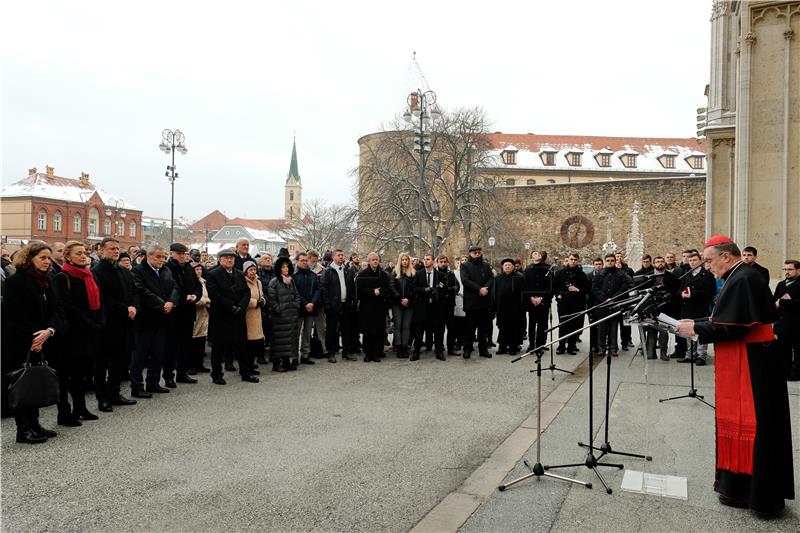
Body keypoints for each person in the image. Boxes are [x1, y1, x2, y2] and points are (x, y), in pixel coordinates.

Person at [677, 236, 794, 516]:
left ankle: (757, 495)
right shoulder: (738, 276)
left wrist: (696, 329)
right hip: (750, 358)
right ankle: (739, 489)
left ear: (726, 256)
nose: (706, 266)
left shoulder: (743, 278)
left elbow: (734, 327)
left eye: (709, 260)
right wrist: (697, 323)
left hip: (754, 363)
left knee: (757, 425)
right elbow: (723, 318)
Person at [2, 242, 65, 443]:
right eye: (42, 258)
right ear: (30, 259)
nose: (47, 262)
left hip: (43, 339)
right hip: (20, 342)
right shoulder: (15, 282)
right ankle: (23, 429)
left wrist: (49, 330)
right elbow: (15, 316)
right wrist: (33, 339)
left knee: (35, 381)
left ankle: (35, 424)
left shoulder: (47, 281)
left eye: (48, 258)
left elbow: (57, 310)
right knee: (23, 383)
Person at [52, 240, 105, 424]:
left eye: (85, 253)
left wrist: (99, 321)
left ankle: (81, 408)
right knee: (67, 374)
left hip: (90, 332)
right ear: (68, 257)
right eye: (79, 254)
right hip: (71, 333)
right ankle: (64, 413)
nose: (84, 256)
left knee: (82, 373)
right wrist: (88, 322)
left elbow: (99, 300)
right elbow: (66, 305)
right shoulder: (62, 277)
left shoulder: (89, 275)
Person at [91, 237, 138, 412]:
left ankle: (114, 393)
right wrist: (125, 308)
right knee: (102, 363)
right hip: (107, 323)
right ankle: (102, 398)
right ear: (101, 250)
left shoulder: (123, 270)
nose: (116, 251)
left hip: (125, 322)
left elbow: (134, 291)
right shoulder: (97, 271)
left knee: (119, 360)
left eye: (118, 248)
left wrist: (133, 306)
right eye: (112, 248)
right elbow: (103, 298)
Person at [131, 245, 179, 396]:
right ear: (148, 256)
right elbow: (141, 290)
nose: (162, 260)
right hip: (146, 319)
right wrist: (161, 304)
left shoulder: (165, 270)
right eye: (158, 257)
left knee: (158, 353)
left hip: (163, 319)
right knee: (140, 354)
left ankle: (153, 382)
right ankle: (137, 386)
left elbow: (175, 288)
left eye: (164, 257)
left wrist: (172, 302)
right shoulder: (138, 271)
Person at [206, 248, 256, 383]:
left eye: (232, 258)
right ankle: (216, 375)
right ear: (219, 260)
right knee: (218, 347)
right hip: (221, 316)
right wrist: (231, 306)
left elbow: (246, 292)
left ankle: (245, 372)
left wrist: (241, 306)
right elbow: (214, 295)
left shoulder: (239, 274)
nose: (229, 260)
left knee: (241, 345)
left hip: (238, 315)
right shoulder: (213, 274)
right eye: (226, 258)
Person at [164, 243, 202, 386]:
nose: (182, 256)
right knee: (171, 347)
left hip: (188, 311)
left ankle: (182, 373)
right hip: (174, 312)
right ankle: (168, 376)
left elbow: (198, 286)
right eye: (180, 254)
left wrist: (195, 296)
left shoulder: (189, 268)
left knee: (186, 345)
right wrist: (184, 297)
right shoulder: (167, 268)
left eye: (184, 254)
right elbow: (170, 289)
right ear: (172, 253)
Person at [677, 251, 716, 366]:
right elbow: (679, 289)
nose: (692, 263)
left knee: (701, 332)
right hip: (687, 307)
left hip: (700, 308)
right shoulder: (686, 274)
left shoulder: (707, 275)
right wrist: (681, 294)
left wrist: (693, 294)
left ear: (700, 261)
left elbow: (710, 292)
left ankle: (701, 356)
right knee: (688, 332)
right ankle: (690, 355)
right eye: (690, 261)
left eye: (694, 260)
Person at [592, 254, 633, 357]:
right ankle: (601, 348)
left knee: (614, 327)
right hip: (603, 305)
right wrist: (605, 299)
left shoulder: (621, 274)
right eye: (608, 260)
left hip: (615, 305)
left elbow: (624, 288)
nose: (610, 262)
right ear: (605, 262)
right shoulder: (599, 274)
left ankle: (613, 348)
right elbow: (595, 288)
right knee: (602, 328)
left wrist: (614, 298)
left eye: (612, 260)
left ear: (615, 261)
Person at [320, 249, 357, 362]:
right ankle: (331, 353)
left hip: (346, 304)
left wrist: (353, 301)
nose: (341, 257)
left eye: (342, 255)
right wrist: (327, 305)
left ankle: (346, 352)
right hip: (333, 305)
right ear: (333, 257)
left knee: (346, 329)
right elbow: (324, 289)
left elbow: (352, 287)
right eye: (339, 255)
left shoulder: (347, 270)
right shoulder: (328, 271)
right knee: (331, 330)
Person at [267, 256, 301, 372]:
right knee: (278, 341)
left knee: (290, 340)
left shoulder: (291, 280)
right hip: (280, 317)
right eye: (283, 267)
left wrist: (296, 306)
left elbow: (297, 295)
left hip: (291, 315)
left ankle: (287, 362)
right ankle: (276, 364)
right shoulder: (274, 282)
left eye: (287, 267)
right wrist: (279, 309)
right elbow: (271, 299)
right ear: (279, 269)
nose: (286, 269)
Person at [460, 245, 494, 359]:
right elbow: (465, 281)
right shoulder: (465, 266)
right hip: (471, 302)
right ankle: (467, 349)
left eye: (478, 252)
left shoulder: (485, 265)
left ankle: (483, 350)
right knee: (469, 328)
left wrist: (486, 288)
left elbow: (491, 278)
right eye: (474, 253)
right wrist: (479, 289)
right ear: (470, 254)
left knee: (483, 328)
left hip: (484, 301)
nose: (477, 254)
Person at [357, 252, 391, 362]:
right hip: (367, 307)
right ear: (369, 261)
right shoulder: (362, 274)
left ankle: (377, 353)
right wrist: (372, 291)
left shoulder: (384, 275)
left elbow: (387, 289)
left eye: (377, 259)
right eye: (373, 259)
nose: (375, 261)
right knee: (367, 331)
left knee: (379, 331)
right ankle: (368, 353)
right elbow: (360, 291)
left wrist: (380, 292)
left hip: (380, 306)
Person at [644, 256, 680, 361]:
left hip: (665, 306)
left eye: (661, 261)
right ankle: (651, 352)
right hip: (651, 306)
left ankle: (663, 353)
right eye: (657, 261)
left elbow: (675, 289)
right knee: (651, 330)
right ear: (654, 263)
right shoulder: (648, 275)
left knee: (664, 330)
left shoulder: (671, 276)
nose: (660, 263)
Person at [554, 253, 589, 355]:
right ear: (568, 260)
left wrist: (578, 289)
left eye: (575, 260)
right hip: (563, 303)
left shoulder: (582, 275)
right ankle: (561, 346)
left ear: (578, 261)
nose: (573, 261)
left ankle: (571, 346)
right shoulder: (560, 273)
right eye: (571, 259)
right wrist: (557, 295)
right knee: (563, 324)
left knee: (574, 325)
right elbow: (555, 286)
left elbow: (586, 288)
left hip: (576, 303)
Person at [524, 250, 555, 355]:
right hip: (532, 301)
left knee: (542, 324)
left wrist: (541, 298)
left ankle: (540, 345)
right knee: (532, 324)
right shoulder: (528, 270)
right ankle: (531, 344)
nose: (537, 255)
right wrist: (531, 297)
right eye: (535, 253)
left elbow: (550, 286)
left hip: (543, 301)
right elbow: (525, 286)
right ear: (532, 257)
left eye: (538, 253)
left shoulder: (548, 269)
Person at [412, 253, 441, 360]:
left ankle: (439, 352)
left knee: (437, 330)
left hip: (435, 306)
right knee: (419, 330)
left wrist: (436, 291)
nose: (425, 261)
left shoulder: (439, 274)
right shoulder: (418, 274)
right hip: (422, 306)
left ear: (433, 261)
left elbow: (443, 289)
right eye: (424, 259)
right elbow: (414, 288)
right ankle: (416, 352)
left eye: (428, 259)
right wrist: (424, 290)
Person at [774, 259, 800, 380]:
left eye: (790, 269)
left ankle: (797, 373)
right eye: (785, 269)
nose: (786, 272)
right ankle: (785, 371)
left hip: (796, 323)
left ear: (798, 270)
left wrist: (783, 302)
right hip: (782, 323)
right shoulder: (781, 284)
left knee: (798, 350)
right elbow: (775, 301)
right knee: (783, 349)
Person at [493, 258, 525, 355]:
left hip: (515, 307)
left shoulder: (519, 278)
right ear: (502, 267)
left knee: (514, 327)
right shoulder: (498, 278)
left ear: (513, 267)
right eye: (505, 265)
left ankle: (513, 346)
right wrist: (494, 306)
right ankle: (502, 346)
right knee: (502, 327)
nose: (507, 267)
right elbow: (494, 293)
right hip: (502, 307)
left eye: (509, 265)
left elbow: (523, 293)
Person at [294, 252, 321, 365]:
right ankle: (294, 356)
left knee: (307, 333)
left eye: (306, 260)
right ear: (297, 261)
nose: (305, 262)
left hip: (311, 307)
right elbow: (295, 292)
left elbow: (317, 290)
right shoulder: (293, 276)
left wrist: (312, 303)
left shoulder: (313, 275)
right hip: (299, 308)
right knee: (296, 333)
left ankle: (305, 354)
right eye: (302, 260)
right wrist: (306, 303)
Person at [242, 260, 267, 376]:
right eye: (250, 270)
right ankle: (246, 368)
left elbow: (261, 295)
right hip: (247, 316)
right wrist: (255, 302)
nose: (252, 272)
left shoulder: (258, 282)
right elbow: (242, 298)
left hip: (257, 315)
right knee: (247, 344)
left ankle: (251, 365)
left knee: (256, 343)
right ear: (246, 271)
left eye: (254, 269)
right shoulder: (242, 282)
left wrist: (262, 301)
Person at [390, 252, 415, 359]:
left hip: (409, 303)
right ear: (400, 261)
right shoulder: (395, 272)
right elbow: (391, 287)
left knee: (406, 326)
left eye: (406, 260)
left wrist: (408, 299)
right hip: (397, 303)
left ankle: (405, 347)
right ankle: (398, 347)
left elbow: (415, 288)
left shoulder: (413, 273)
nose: (405, 261)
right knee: (398, 326)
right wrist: (400, 299)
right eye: (403, 260)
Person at [435, 255, 460, 356]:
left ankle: (451, 348)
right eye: (441, 262)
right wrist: (446, 289)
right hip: (439, 305)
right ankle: (439, 349)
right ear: (437, 263)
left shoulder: (450, 273)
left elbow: (457, 286)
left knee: (451, 328)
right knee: (439, 329)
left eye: (445, 261)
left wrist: (450, 289)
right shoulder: (435, 274)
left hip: (450, 304)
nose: (443, 264)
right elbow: (436, 289)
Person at [190, 261, 211, 374]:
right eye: (196, 270)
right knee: (193, 341)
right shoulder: (190, 282)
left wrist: (206, 301)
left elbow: (208, 295)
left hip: (204, 315)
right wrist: (206, 301)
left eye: (200, 270)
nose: (198, 272)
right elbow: (195, 300)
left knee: (201, 340)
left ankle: (199, 364)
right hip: (195, 315)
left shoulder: (203, 282)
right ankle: (191, 365)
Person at [585, 257, 604, 355]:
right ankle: (593, 346)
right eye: (596, 264)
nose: (598, 266)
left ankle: (602, 345)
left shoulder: (605, 275)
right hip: (592, 304)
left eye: (600, 264)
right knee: (593, 326)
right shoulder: (589, 276)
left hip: (602, 304)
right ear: (594, 265)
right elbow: (587, 291)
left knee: (602, 327)